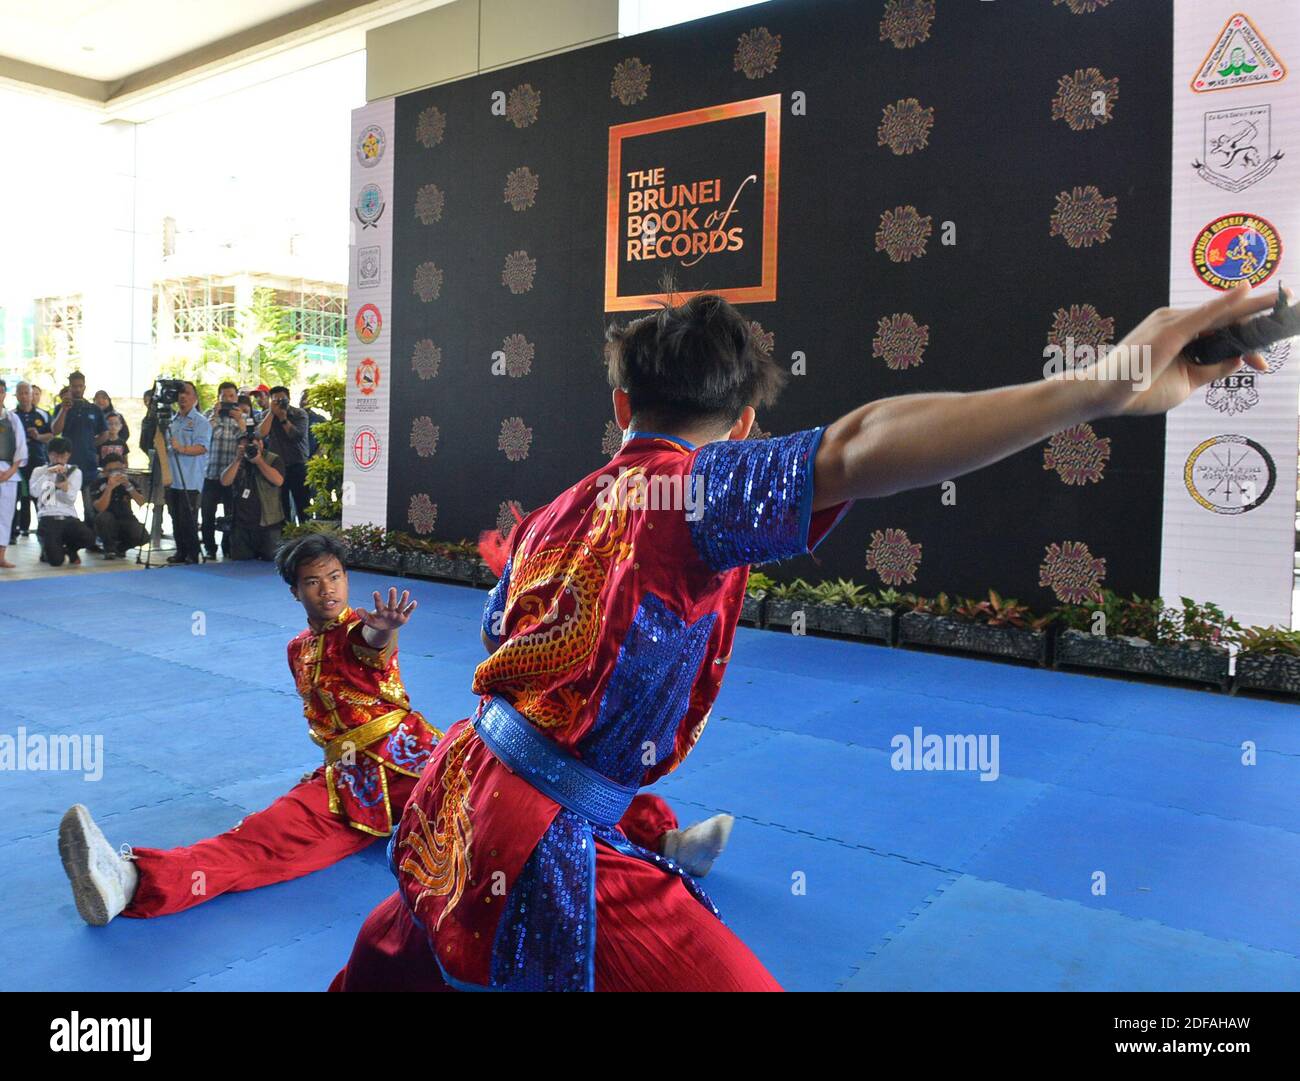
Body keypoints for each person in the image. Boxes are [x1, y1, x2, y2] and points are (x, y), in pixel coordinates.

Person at [330, 282, 1280, 993]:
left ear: (621, 407)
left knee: (394, 958)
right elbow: (861, 447)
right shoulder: (695, 492)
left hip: (462, 785)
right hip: (538, 830)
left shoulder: (554, 512)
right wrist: (1102, 384)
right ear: (745, 426)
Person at [56, 534, 443, 925]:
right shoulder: (298, 650)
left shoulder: (359, 628)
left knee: (485, 824)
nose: (328, 589)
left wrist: (386, 629)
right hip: (351, 782)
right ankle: (129, 881)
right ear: (295, 591)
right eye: (313, 581)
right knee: (265, 837)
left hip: (417, 764)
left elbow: (371, 644)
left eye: (336, 576)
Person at [50, 371, 106, 538]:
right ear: (70, 387)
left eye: (80, 386)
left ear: (84, 387)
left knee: (90, 508)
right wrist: (65, 411)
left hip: (88, 465)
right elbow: (55, 430)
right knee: (65, 504)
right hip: (67, 466)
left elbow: (104, 433)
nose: (77, 389)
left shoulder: (94, 409)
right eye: (74, 386)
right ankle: (64, 540)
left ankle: (92, 540)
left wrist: (90, 445)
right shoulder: (61, 408)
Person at [162, 381, 210, 565]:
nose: (182, 396)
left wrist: (181, 448)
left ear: (195, 398)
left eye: (187, 393)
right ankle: (180, 551)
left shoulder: (200, 422)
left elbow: (202, 447)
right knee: (174, 516)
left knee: (187, 518)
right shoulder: (173, 421)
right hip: (172, 477)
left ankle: (192, 552)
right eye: (180, 393)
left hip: (190, 478)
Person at [221, 429, 285, 561]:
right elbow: (225, 481)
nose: (249, 449)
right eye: (244, 446)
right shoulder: (239, 460)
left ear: (261, 444)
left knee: (269, 567)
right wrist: (238, 459)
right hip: (241, 525)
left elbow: (278, 480)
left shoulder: (273, 459)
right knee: (241, 567)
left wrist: (259, 461)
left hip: (268, 524)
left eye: (252, 446)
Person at [31, 437, 95, 567]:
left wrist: (65, 488)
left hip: (68, 516)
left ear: (69, 455)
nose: (59, 460)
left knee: (89, 538)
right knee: (56, 561)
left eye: (63, 456)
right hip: (47, 517)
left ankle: (70, 550)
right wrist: (47, 475)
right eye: (55, 455)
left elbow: (70, 499)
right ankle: (47, 547)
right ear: (49, 454)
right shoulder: (39, 471)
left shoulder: (75, 472)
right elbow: (34, 493)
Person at [257, 386, 310, 525]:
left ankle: (306, 537)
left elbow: (296, 437)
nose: (280, 403)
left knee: (303, 506)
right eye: (276, 400)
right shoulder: (266, 415)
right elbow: (260, 434)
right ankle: (286, 537)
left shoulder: (299, 414)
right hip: (278, 467)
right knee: (281, 507)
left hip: (298, 465)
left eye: (282, 400)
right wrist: (271, 413)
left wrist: (283, 418)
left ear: (289, 399)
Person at [202, 382, 244, 559]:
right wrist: (216, 414)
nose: (228, 400)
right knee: (207, 513)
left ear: (236, 398)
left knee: (231, 514)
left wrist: (240, 419)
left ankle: (228, 546)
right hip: (210, 472)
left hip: (232, 474)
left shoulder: (243, 416)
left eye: (231, 396)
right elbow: (205, 434)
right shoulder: (208, 416)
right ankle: (210, 548)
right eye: (224, 396)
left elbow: (249, 438)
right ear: (218, 398)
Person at [90, 453, 148, 559]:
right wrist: (109, 488)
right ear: (104, 472)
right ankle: (109, 549)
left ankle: (121, 548)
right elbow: (100, 508)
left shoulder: (129, 482)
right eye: (111, 471)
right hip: (106, 519)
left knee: (143, 535)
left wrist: (129, 487)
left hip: (126, 518)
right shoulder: (97, 484)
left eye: (118, 469)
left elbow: (141, 502)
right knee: (104, 518)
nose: (115, 473)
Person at [14, 381, 52, 537]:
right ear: (16, 395)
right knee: (22, 496)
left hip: (40, 462)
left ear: (32, 395)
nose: (24, 396)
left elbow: (51, 436)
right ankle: (20, 529)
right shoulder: (12, 416)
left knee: (44, 498)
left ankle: (47, 532)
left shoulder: (43, 415)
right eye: (21, 393)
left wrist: (38, 436)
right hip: (19, 465)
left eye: (27, 393)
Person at [0, 382, 28, 569]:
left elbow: (21, 448)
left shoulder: (12, 419)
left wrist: (10, 471)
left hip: (8, 472)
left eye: (1, 391)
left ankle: (1, 556)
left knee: (5, 515)